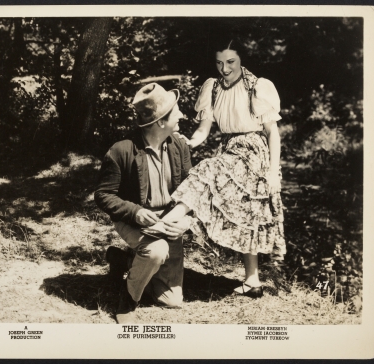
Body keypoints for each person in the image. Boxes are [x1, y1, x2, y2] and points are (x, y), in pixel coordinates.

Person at [152, 38, 286, 298]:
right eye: (219, 63)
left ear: (241, 60)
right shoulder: (212, 88)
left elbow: (273, 134)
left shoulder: (258, 87)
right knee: (245, 214)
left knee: (209, 172)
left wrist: (272, 172)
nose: (224, 69)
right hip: (229, 148)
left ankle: (166, 221)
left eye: (230, 62)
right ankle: (252, 282)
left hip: (254, 151)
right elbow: (204, 130)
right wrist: (189, 141)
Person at [95, 83, 192, 324]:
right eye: (176, 111)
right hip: (134, 220)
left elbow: (193, 190)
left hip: (169, 223)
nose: (181, 115)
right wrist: (136, 212)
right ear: (160, 122)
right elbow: (104, 195)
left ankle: (123, 261)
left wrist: (187, 221)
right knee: (155, 251)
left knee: (171, 300)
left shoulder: (179, 146)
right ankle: (127, 301)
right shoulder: (122, 150)